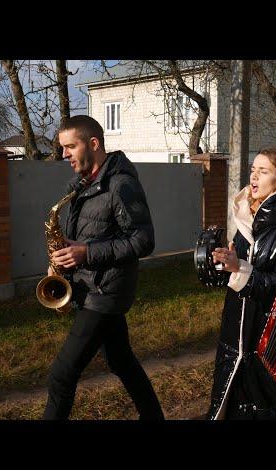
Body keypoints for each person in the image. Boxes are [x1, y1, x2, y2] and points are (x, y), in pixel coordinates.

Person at [43, 115, 164, 420]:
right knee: (122, 362)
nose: (64, 155)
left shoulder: (121, 184)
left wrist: (86, 254)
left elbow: (143, 240)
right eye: (62, 148)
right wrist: (63, 261)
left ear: (93, 143)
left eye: (70, 146)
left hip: (105, 292)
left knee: (61, 375)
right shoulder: (82, 185)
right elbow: (88, 236)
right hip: (89, 286)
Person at [206, 147, 276, 420]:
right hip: (236, 336)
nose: (253, 177)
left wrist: (240, 269)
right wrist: (221, 264)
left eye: (263, 172)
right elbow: (238, 273)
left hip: (268, 342)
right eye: (253, 170)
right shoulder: (247, 217)